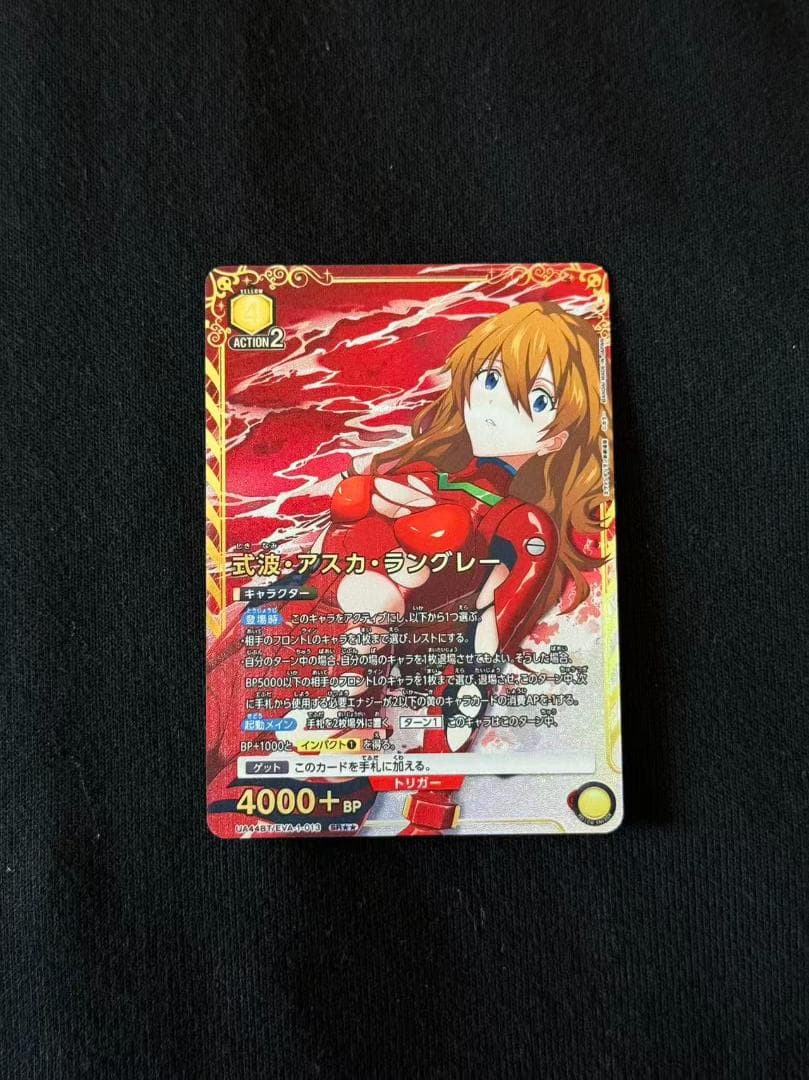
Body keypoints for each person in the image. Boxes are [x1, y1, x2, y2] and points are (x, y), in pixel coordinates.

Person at [207, 301, 608, 835]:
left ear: (555, 438)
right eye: (490, 380)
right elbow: (314, 569)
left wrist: (430, 811)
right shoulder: (405, 471)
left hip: (326, 717)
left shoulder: (521, 527)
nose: (496, 406)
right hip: (251, 656)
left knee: (235, 825)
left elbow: (475, 662)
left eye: (535, 400)